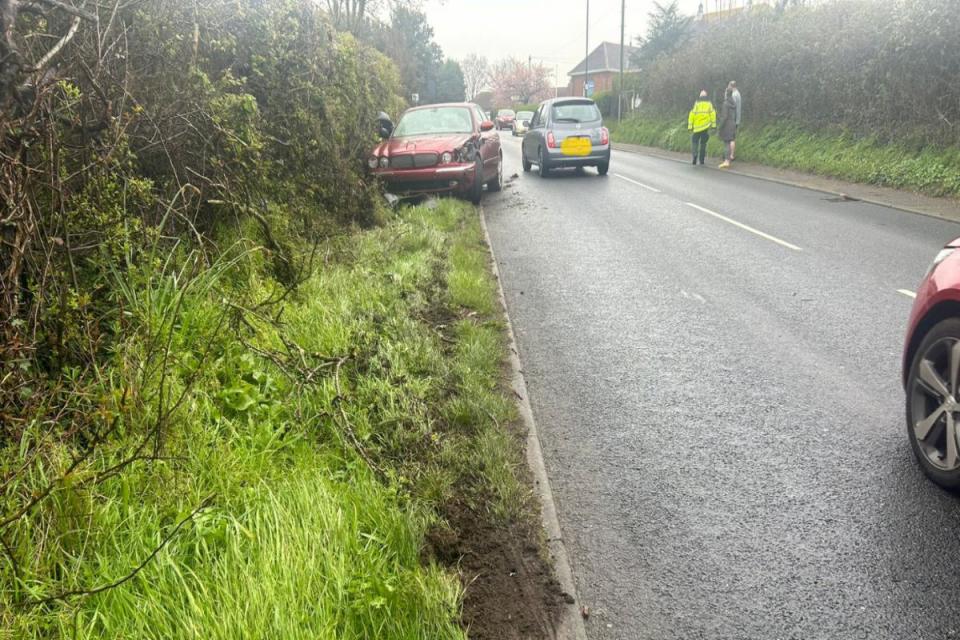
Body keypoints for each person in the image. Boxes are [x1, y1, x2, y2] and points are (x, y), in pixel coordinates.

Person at [687, 90, 716, 166]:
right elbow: (713, 114)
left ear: (700, 96)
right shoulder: (709, 104)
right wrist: (713, 126)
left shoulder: (697, 103)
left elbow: (692, 114)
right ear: (706, 96)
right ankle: (702, 160)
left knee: (694, 142)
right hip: (705, 127)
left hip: (696, 128)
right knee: (703, 143)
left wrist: (690, 126)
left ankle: (695, 155)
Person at [717, 87, 737, 169]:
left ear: (726, 93)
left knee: (726, 144)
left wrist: (720, 126)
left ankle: (726, 161)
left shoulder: (725, 104)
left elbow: (724, 117)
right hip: (732, 123)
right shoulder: (733, 103)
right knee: (729, 142)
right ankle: (727, 160)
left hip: (727, 125)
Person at [728, 81, 742, 161]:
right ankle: (731, 155)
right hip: (737, 119)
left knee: (731, 138)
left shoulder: (734, 95)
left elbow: (731, 107)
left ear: (731, 86)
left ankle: (731, 155)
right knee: (732, 137)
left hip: (732, 119)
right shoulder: (738, 93)